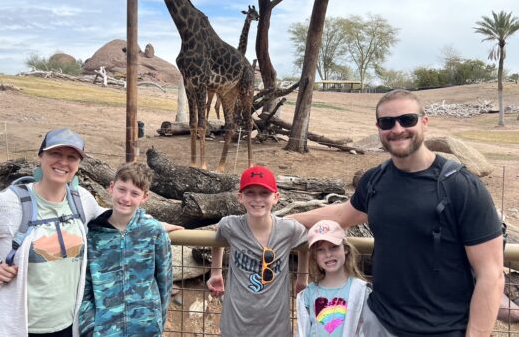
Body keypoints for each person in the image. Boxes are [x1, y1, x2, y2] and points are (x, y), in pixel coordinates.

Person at [289, 89, 504, 337]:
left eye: (408, 119)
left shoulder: (461, 186)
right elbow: (340, 215)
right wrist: (283, 222)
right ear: (378, 127)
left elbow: (491, 274)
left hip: (442, 329)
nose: (398, 128)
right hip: (380, 323)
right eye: (387, 122)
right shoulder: (375, 180)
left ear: (424, 122)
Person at [0, 127, 180, 337]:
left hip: (69, 326)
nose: (63, 162)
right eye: (55, 154)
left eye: (71, 157)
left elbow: (113, 214)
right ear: (41, 156)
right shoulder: (6, 204)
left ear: (78, 164)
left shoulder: (82, 202)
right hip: (18, 326)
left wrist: (152, 223)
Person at [206, 165, 308, 337]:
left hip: (275, 326)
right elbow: (218, 239)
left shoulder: (289, 229)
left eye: (264, 193)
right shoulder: (230, 225)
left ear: (276, 197)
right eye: (250, 193)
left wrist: (302, 277)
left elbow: (307, 246)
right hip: (236, 325)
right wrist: (216, 272)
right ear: (240, 197)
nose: (257, 199)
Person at [78, 162, 172, 336]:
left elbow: (164, 282)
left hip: (146, 328)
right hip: (103, 330)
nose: (126, 198)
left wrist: (158, 322)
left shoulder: (154, 232)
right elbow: (84, 286)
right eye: (122, 189)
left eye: (134, 193)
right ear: (111, 187)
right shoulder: (92, 234)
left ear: (145, 197)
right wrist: (89, 326)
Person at [296, 219, 370, 337]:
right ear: (315, 255)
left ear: (345, 248)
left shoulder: (362, 291)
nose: (328, 254)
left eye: (334, 247)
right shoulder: (307, 295)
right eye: (320, 250)